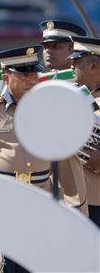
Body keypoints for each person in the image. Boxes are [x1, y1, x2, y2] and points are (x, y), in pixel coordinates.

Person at [0, 45, 88, 273]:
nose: (30, 80)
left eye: (33, 73)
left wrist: (77, 210)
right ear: (5, 77)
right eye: (23, 75)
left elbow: (67, 164)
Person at [68, 36, 100, 228]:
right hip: (66, 199)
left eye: (77, 62)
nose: (71, 66)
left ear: (93, 66)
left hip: (96, 202)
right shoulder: (65, 97)